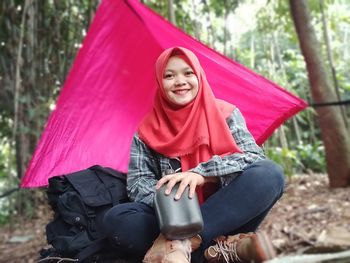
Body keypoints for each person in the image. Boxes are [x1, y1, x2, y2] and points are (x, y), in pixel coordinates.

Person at [102, 46, 285, 263]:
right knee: (118, 220)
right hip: (170, 218)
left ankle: (180, 244)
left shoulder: (226, 114)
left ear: (199, 75)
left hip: (227, 214)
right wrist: (175, 202)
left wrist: (202, 174)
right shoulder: (146, 132)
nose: (180, 81)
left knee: (270, 174)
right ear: (160, 83)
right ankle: (223, 250)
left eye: (188, 73)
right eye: (169, 76)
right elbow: (137, 183)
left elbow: (252, 156)